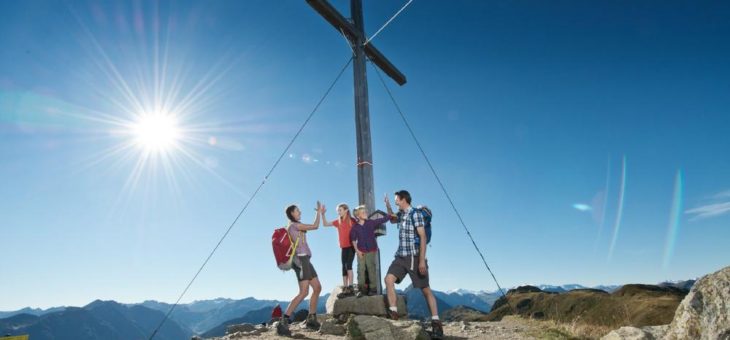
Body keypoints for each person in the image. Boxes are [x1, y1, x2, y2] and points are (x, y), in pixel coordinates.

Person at [384, 190, 443, 338]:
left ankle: (436, 323)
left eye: (396, 199)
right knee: (388, 279)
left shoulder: (415, 214)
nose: (396, 201)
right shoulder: (401, 215)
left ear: (404, 199)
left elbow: (422, 237)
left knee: (425, 290)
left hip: (415, 257)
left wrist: (422, 260)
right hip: (400, 256)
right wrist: (388, 205)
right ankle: (394, 313)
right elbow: (391, 219)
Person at [277, 202, 323, 336]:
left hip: (306, 261)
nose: (300, 212)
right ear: (292, 213)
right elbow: (315, 226)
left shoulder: (296, 225)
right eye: (297, 210)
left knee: (317, 288)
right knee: (303, 292)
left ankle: (311, 318)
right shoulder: (294, 225)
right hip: (301, 261)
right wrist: (318, 212)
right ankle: (283, 322)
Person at [350, 205, 390, 297]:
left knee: (371, 269)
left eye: (366, 212)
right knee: (361, 270)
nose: (366, 213)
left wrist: (389, 213)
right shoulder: (355, 227)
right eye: (363, 212)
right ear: (358, 216)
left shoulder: (371, 223)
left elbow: (383, 220)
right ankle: (361, 290)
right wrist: (357, 251)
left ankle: (373, 289)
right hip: (361, 251)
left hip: (372, 250)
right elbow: (353, 240)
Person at [321, 203, 356, 297]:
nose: (338, 212)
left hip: (351, 246)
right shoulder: (338, 221)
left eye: (340, 210)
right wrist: (323, 214)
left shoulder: (352, 221)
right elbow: (325, 224)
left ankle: (351, 287)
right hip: (343, 247)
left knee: (348, 265)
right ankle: (345, 288)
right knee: (343, 267)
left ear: (346, 210)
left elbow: (360, 229)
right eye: (338, 211)